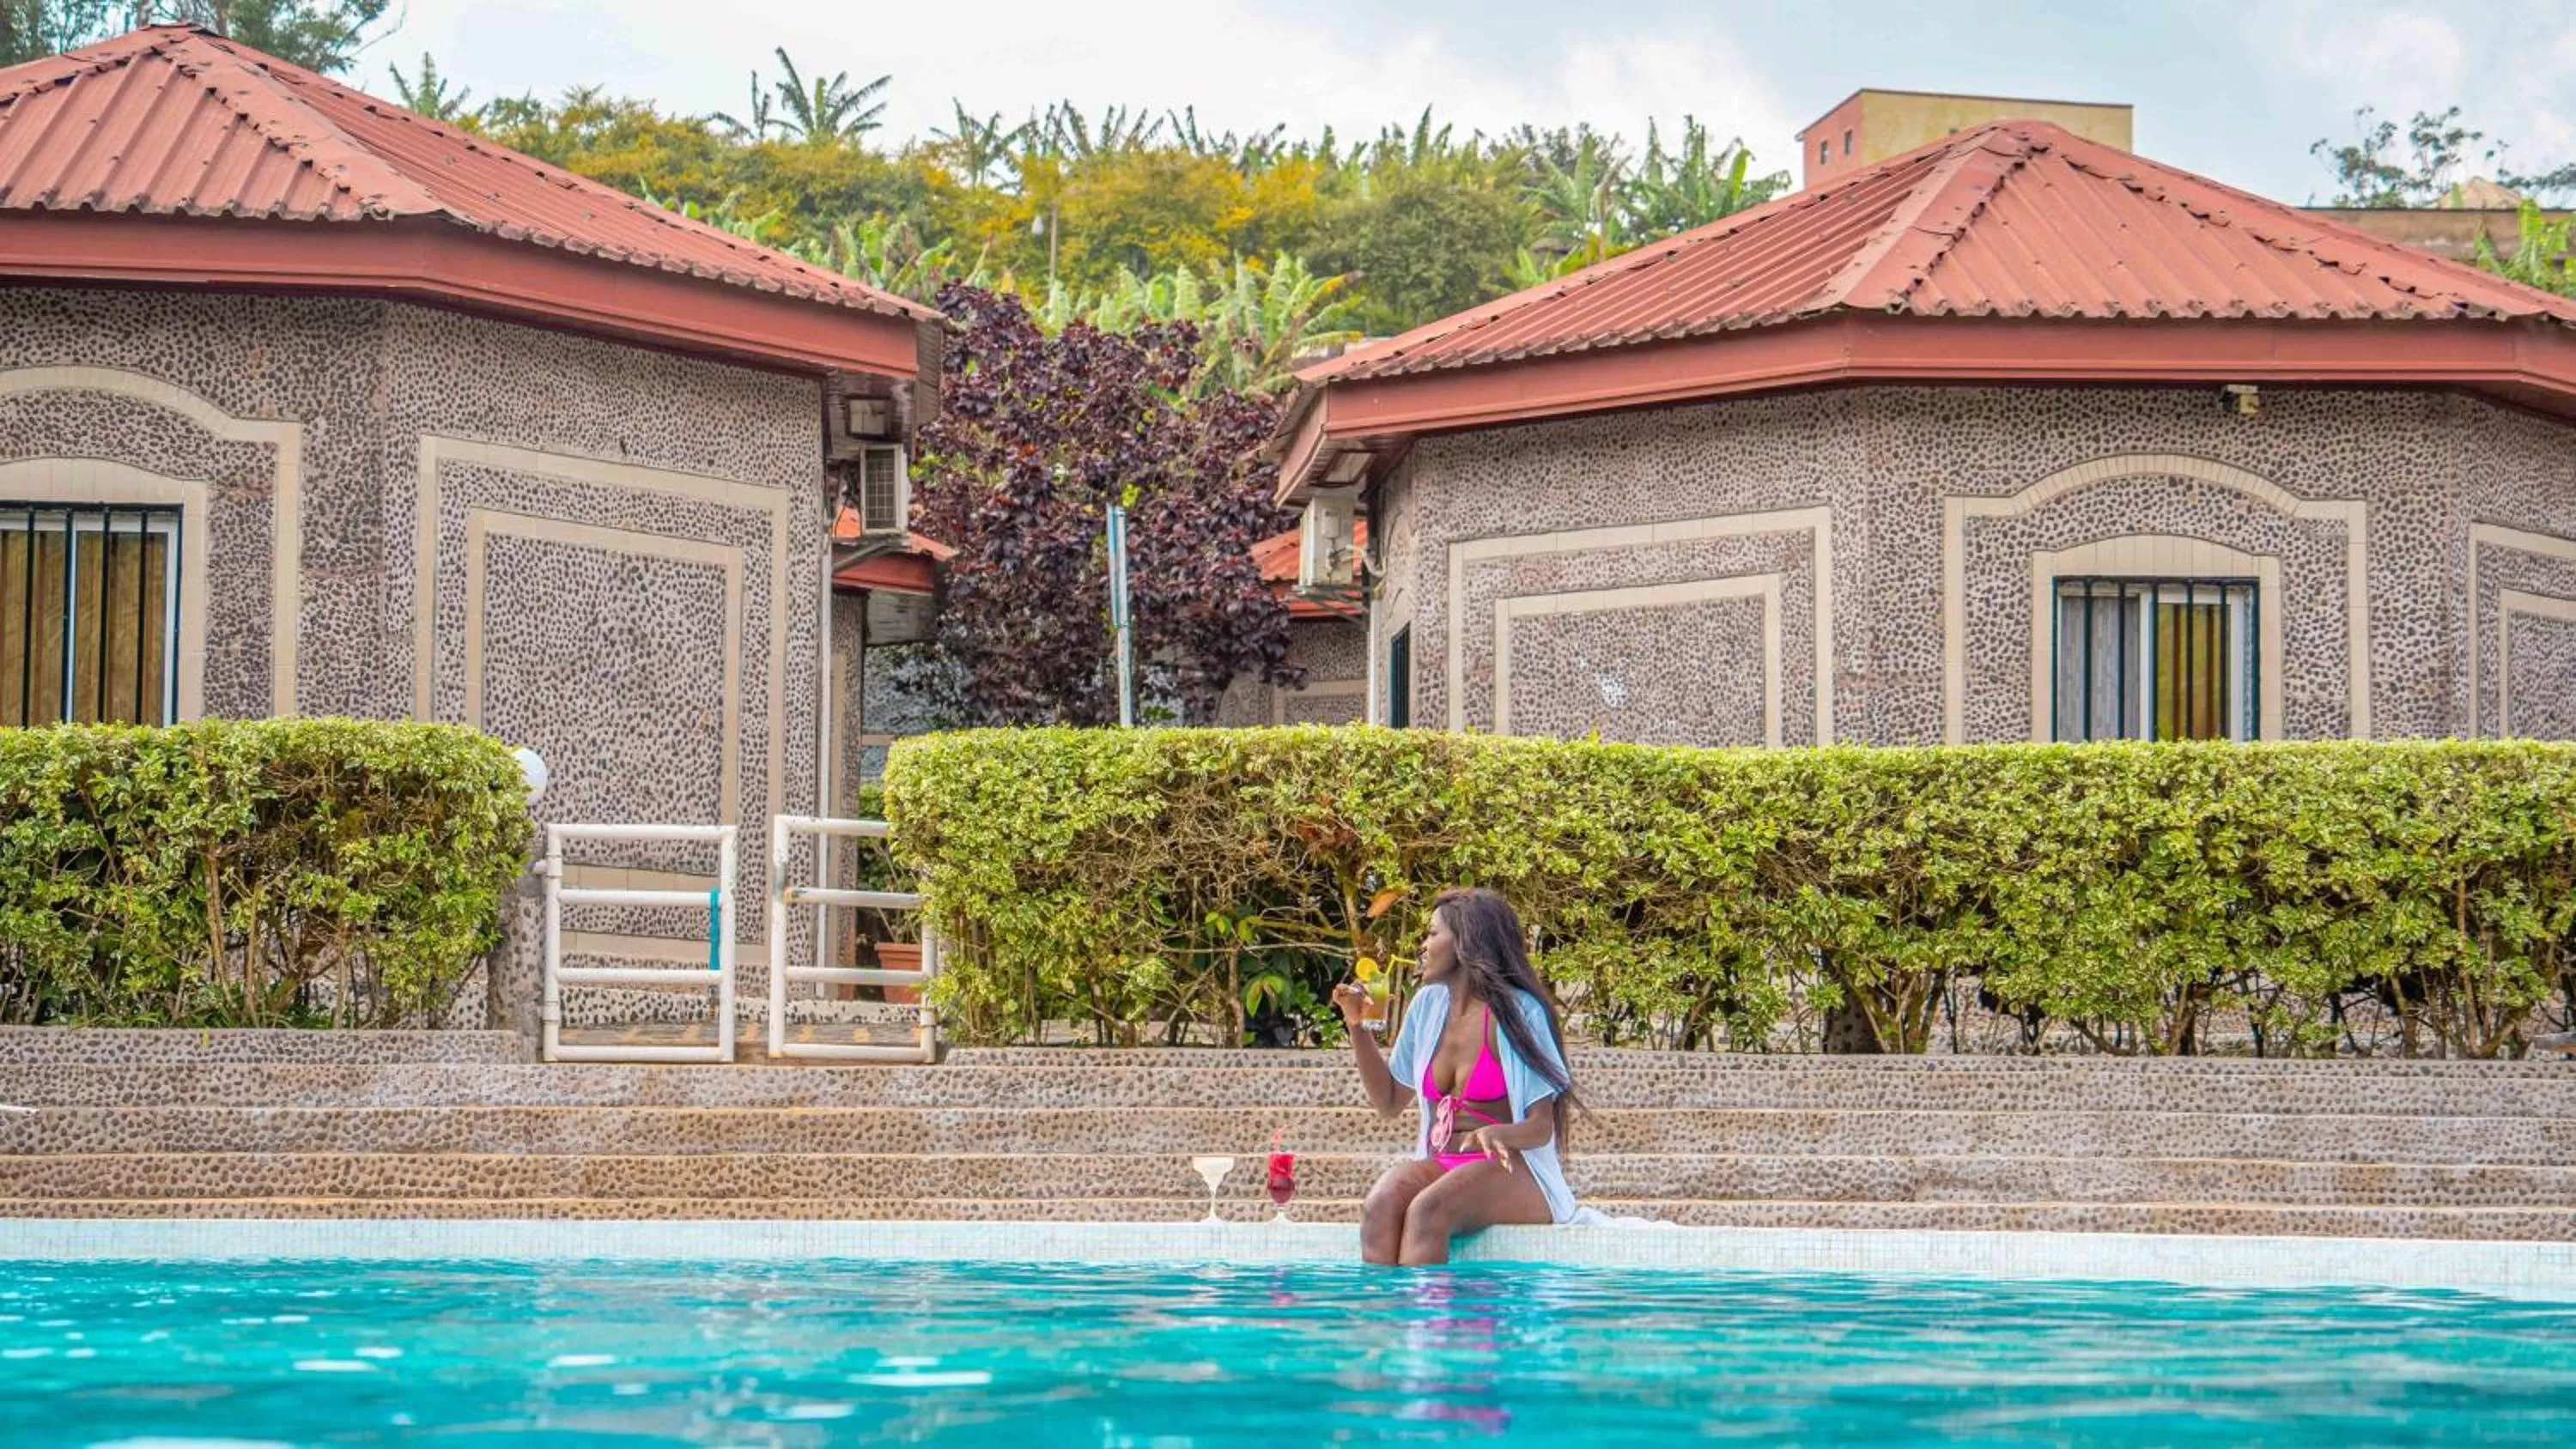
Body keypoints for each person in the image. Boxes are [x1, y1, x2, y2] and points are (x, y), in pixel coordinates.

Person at [1331, 887, 1580, 1265]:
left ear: (1466, 941)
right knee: (1380, 1204)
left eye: (1432, 934)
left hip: (1515, 1171)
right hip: (1444, 1161)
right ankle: (1383, 1319)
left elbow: (1540, 1127)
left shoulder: (1519, 1014)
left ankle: (1433, 1324)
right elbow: (1389, 1102)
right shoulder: (1426, 1006)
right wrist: (1356, 1026)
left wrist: (1497, 1133)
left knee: (1427, 1211)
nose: (1422, 946)